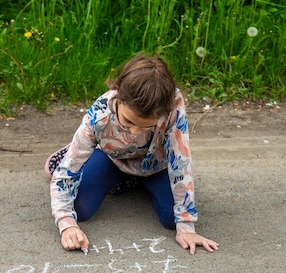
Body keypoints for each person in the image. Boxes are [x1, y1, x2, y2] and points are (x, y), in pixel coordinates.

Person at [45, 53, 219, 255]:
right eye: (128, 122)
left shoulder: (172, 106)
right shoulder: (98, 116)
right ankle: (81, 149)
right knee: (80, 209)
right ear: (118, 94)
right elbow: (67, 171)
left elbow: (180, 162)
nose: (135, 132)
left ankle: (136, 181)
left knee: (173, 220)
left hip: (155, 165)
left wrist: (186, 226)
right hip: (113, 159)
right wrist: (67, 224)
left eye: (146, 126)